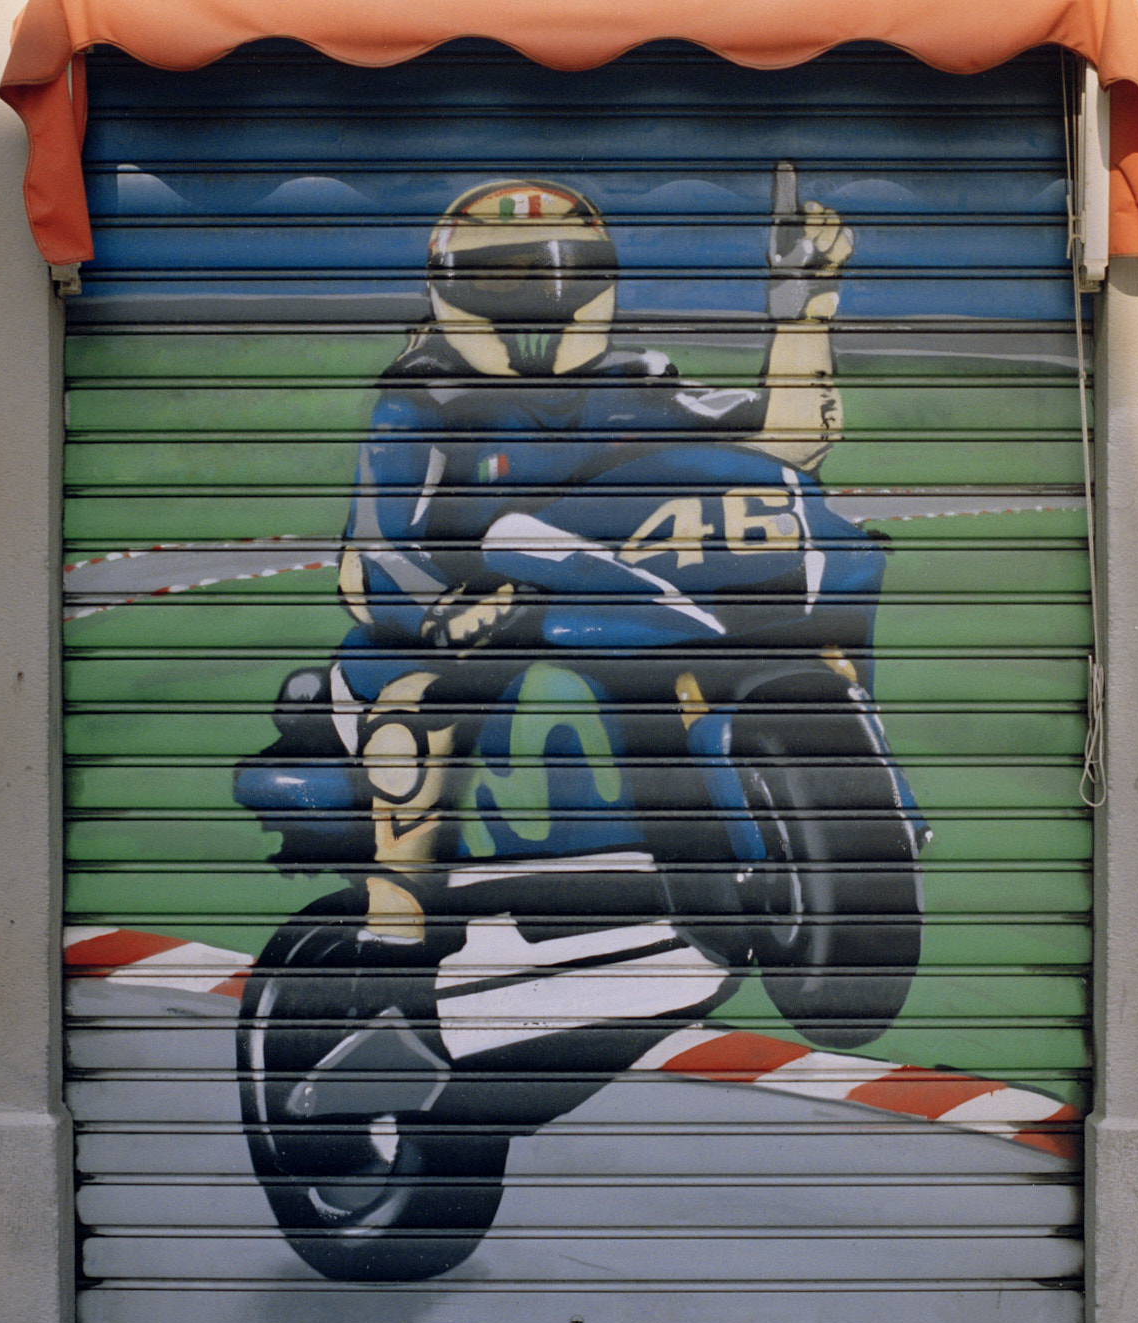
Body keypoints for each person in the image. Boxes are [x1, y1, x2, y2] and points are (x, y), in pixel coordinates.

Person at [235, 168, 927, 1049]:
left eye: (561, 271)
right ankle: (395, 936)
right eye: (505, 279)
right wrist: (444, 609)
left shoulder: (636, 386)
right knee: (417, 702)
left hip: (609, 600)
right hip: (470, 620)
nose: (540, 300)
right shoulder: (423, 405)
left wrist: (804, 310)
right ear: (450, 291)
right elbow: (372, 553)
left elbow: (782, 440)